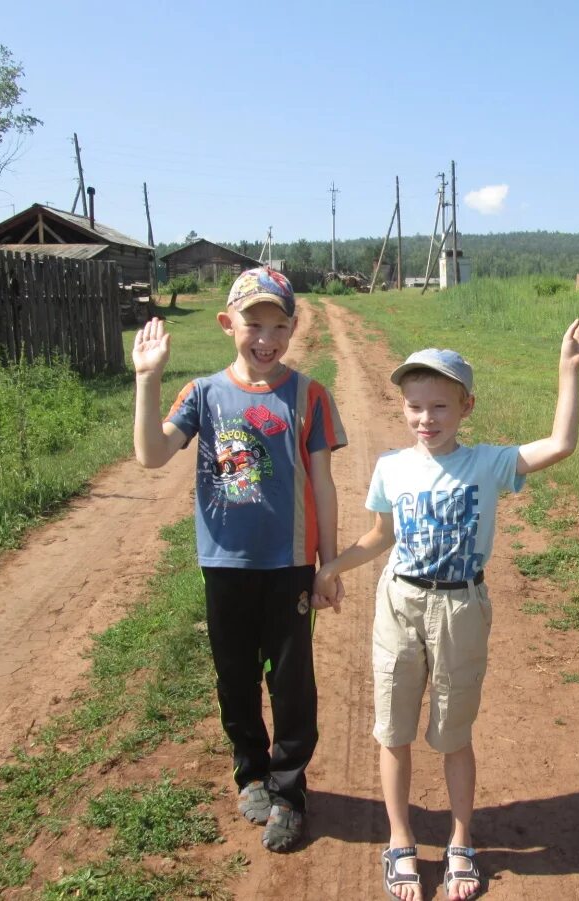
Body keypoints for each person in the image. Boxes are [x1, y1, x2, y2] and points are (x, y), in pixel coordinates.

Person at [314, 319, 579, 900]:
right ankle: (400, 839)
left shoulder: (487, 465)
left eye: (440, 406)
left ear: (465, 407)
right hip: (398, 603)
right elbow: (381, 536)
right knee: (393, 730)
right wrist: (332, 567)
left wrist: (567, 372)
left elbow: (560, 445)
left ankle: (460, 841)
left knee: (452, 733)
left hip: (460, 609)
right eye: (415, 406)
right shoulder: (392, 467)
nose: (427, 419)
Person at [132, 267, 347, 853]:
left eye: (279, 325)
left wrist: (328, 565)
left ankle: (289, 790)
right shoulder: (202, 393)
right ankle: (250, 771)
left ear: (294, 327)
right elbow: (152, 455)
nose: (266, 338)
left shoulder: (310, 395)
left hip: (290, 566)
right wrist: (147, 381)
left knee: (292, 682)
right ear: (230, 324)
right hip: (224, 564)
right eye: (254, 323)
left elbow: (324, 486)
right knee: (235, 676)